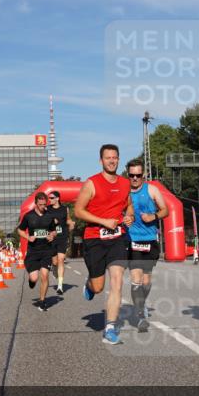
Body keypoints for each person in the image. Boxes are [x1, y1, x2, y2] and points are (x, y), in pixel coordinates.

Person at [74, 144, 133, 346]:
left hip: (117, 238)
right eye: (108, 158)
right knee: (99, 287)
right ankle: (89, 284)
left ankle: (110, 328)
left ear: (118, 159)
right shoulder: (91, 183)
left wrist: (129, 217)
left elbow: (129, 205)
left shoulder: (125, 183)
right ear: (101, 161)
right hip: (94, 238)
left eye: (115, 157)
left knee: (117, 281)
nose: (111, 161)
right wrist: (102, 221)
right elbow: (78, 211)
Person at [125, 159, 168, 332]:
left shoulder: (152, 189)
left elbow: (166, 210)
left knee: (146, 281)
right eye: (131, 175)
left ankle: (140, 304)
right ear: (127, 174)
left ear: (143, 175)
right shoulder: (124, 191)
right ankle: (140, 315)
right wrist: (123, 219)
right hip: (132, 239)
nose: (135, 178)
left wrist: (153, 217)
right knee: (136, 279)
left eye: (138, 175)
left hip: (150, 239)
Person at [17, 192, 59, 311]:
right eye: (40, 205)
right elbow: (20, 230)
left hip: (46, 250)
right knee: (34, 278)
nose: (43, 207)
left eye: (45, 204)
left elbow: (54, 231)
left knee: (45, 276)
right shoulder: (29, 216)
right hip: (33, 251)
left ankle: (42, 301)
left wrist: (52, 236)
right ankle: (31, 281)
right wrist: (27, 237)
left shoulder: (49, 216)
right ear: (35, 203)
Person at [46, 191, 74, 295]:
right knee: (55, 262)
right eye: (49, 198)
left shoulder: (65, 208)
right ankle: (54, 269)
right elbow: (44, 221)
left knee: (61, 259)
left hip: (63, 236)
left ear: (57, 198)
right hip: (52, 237)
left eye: (52, 198)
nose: (50, 200)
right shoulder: (47, 209)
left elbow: (68, 220)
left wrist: (71, 224)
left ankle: (60, 286)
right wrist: (52, 221)